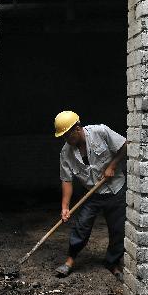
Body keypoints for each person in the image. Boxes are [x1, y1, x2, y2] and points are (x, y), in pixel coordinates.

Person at [52, 110, 127, 279]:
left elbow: (125, 145)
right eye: (63, 137)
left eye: (68, 136)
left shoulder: (101, 132)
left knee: (118, 229)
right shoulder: (66, 152)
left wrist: (113, 165)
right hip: (92, 193)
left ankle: (113, 263)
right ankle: (70, 260)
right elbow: (66, 180)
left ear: (78, 128)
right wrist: (65, 207)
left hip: (115, 189)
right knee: (81, 226)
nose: (66, 140)